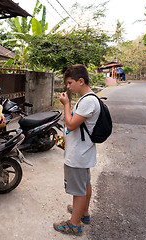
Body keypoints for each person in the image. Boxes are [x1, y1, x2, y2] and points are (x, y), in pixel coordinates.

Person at [53, 64, 101, 235]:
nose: (67, 86)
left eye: (69, 82)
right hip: (82, 151)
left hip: (78, 154)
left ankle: (74, 224)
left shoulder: (88, 100)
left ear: (81, 81)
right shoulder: (88, 98)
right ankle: (83, 213)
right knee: (85, 184)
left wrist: (65, 104)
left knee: (78, 190)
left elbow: (71, 124)